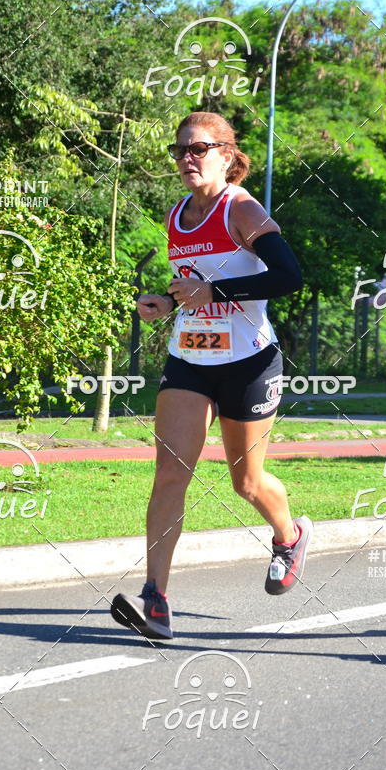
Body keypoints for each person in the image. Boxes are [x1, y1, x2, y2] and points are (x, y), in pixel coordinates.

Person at [111, 111, 309, 640]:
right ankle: (156, 597)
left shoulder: (240, 207)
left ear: (226, 153)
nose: (187, 159)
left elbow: (289, 276)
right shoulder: (178, 215)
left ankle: (289, 535)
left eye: (198, 149)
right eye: (179, 151)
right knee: (171, 473)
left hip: (249, 362)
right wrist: (165, 302)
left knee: (245, 481)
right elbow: (194, 288)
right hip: (190, 360)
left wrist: (214, 294)